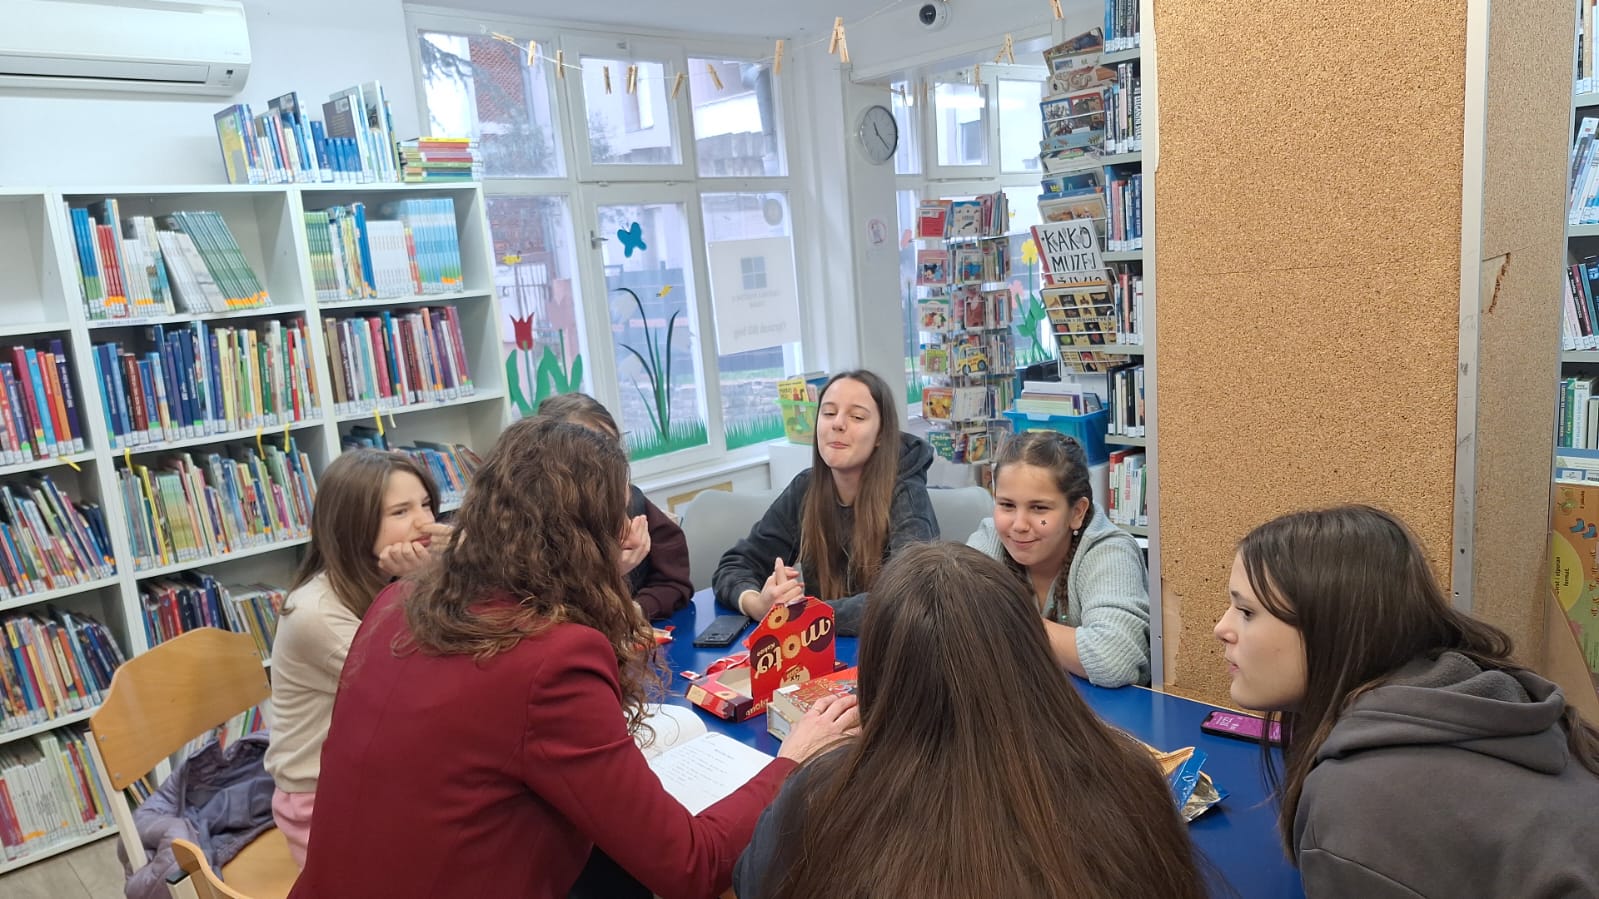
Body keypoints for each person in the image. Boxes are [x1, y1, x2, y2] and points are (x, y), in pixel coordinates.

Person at [288, 417, 859, 899]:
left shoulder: (397, 601)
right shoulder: (551, 660)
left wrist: (597, 579)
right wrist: (792, 761)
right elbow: (690, 866)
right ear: (586, 536)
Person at [733, 542, 1206, 899]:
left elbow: (752, 881)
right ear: (1031, 656)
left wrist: (792, 769)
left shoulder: (820, 794)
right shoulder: (1132, 780)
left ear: (879, 675)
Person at [1215, 504, 1599, 897]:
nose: (1221, 628)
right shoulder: (1489, 698)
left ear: (1335, 628)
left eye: (1246, 611)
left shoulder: (1356, 801)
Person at [265, 449, 451, 865]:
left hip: (380, 773)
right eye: (401, 511)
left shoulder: (386, 579)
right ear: (354, 525)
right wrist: (428, 579)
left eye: (426, 505)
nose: (425, 522)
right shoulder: (316, 612)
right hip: (324, 802)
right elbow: (425, 690)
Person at [714, 370, 937, 634]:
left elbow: (909, 595)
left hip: (886, 651)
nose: (838, 424)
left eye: (857, 417)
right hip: (818, 647)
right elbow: (735, 565)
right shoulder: (806, 488)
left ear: (880, 435)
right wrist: (759, 605)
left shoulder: (906, 495)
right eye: (829, 413)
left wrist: (803, 614)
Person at [966, 431, 1150, 686]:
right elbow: (953, 621)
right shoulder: (990, 538)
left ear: (1077, 512)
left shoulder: (1109, 551)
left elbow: (1114, 660)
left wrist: (1007, 620)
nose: (1018, 525)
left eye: (1039, 508)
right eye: (1007, 505)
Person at [537, 392, 693, 618]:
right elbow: (547, 614)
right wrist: (610, 574)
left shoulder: (632, 502)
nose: (605, 456)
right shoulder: (532, 520)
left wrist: (635, 610)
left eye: (610, 444)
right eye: (588, 448)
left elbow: (674, 583)